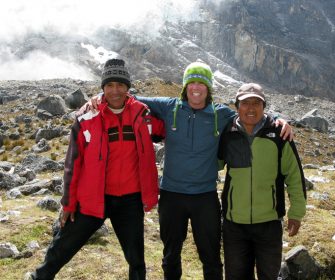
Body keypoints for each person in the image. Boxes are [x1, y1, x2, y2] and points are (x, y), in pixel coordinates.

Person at [84, 60, 293, 280]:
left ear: (208, 88)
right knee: (171, 255)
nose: (196, 88)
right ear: (185, 86)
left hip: (205, 197)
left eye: (201, 83)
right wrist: (98, 98)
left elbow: (251, 115)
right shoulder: (168, 107)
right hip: (172, 195)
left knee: (211, 256)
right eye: (191, 82)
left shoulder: (220, 114)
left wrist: (278, 120)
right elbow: (127, 98)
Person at [29, 59, 164, 280]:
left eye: (120, 85)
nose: (115, 90)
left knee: (136, 260)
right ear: (103, 87)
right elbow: (73, 162)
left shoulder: (143, 114)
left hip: (130, 200)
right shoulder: (87, 116)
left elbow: (168, 130)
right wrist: (68, 203)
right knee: (62, 249)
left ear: (128, 88)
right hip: (93, 198)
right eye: (109, 85)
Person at [218, 83, 306, 280]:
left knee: (269, 276)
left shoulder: (279, 135)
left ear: (264, 106)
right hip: (234, 225)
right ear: (237, 107)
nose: (251, 108)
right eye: (245, 103)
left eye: (256, 103)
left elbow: (294, 176)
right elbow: (213, 165)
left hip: (269, 224)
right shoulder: (227, 134)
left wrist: (296, 213)